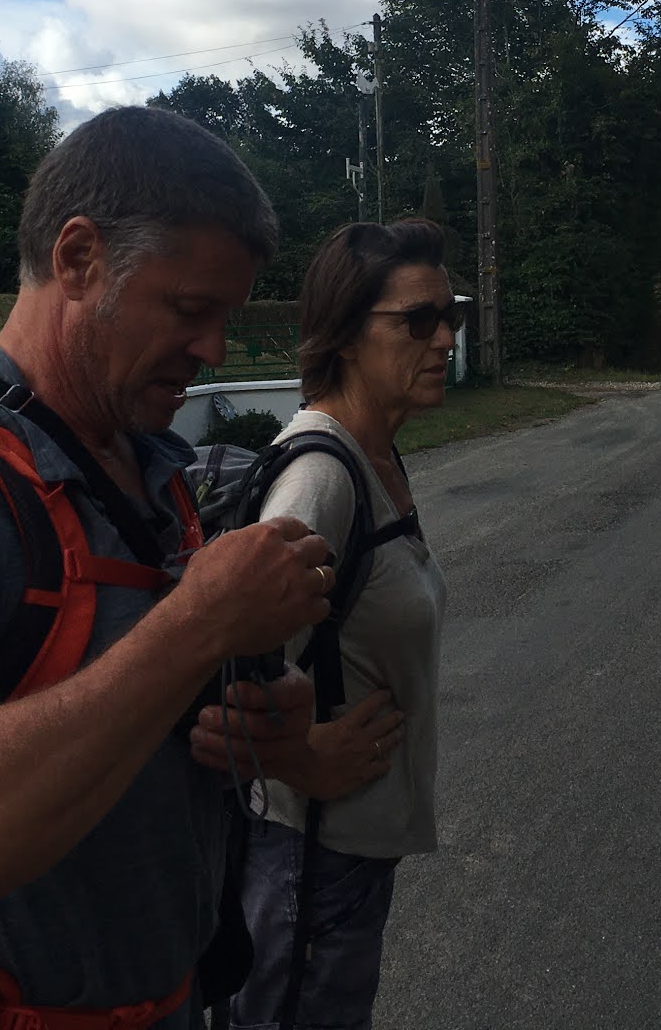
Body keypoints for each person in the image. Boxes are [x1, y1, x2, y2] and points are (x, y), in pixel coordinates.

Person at [0, 106, 338, 1029]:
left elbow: (118, 709)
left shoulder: (144, 469)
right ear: (79, 258)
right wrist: (198, 625)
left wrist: (245, 725)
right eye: (191, 311)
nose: (214, 350)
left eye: (227, 317)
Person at [202, 220, 456, 1030]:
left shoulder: (376, 456)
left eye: (450, 315)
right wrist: (297, 758)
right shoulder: (320, 477)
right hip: (308, 860)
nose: (445, 339)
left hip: (349, 853)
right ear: (346, 335)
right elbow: (213, 670)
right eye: (418, 321)